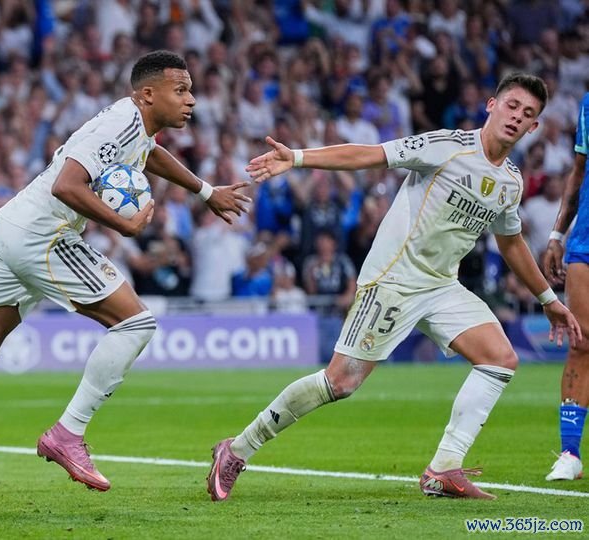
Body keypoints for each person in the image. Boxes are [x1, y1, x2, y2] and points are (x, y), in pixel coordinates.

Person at [0, 50, 251, 507]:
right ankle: (68, 433)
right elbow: (67, 185)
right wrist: (124, 225)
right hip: (41, 235)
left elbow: (150, 155)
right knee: (136, 324)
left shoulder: (135, 127)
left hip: (11, 226)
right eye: (180, 90)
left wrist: (205, 191)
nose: (191, 100)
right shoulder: (120, 123)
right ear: (147, 94)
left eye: (190, 91)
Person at [206, 73, 583, 502]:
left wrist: (547, 299)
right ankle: (237, 449)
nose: (517, 117)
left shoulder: (510, 182)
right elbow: (371, 154)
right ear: (491, 105)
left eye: (528, 114)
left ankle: (443, 469)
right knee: (340, 383)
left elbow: (511, 242)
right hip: (394, 279)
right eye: (512, 105)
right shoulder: (446, 146)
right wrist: (297, 157)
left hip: (442, 285)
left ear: (534, 127)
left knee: (500, 358)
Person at [541, 91, 589, 481]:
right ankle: (570, 453)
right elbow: (579, 169)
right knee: (581, 342)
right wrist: (558, 233)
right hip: (585, 241)